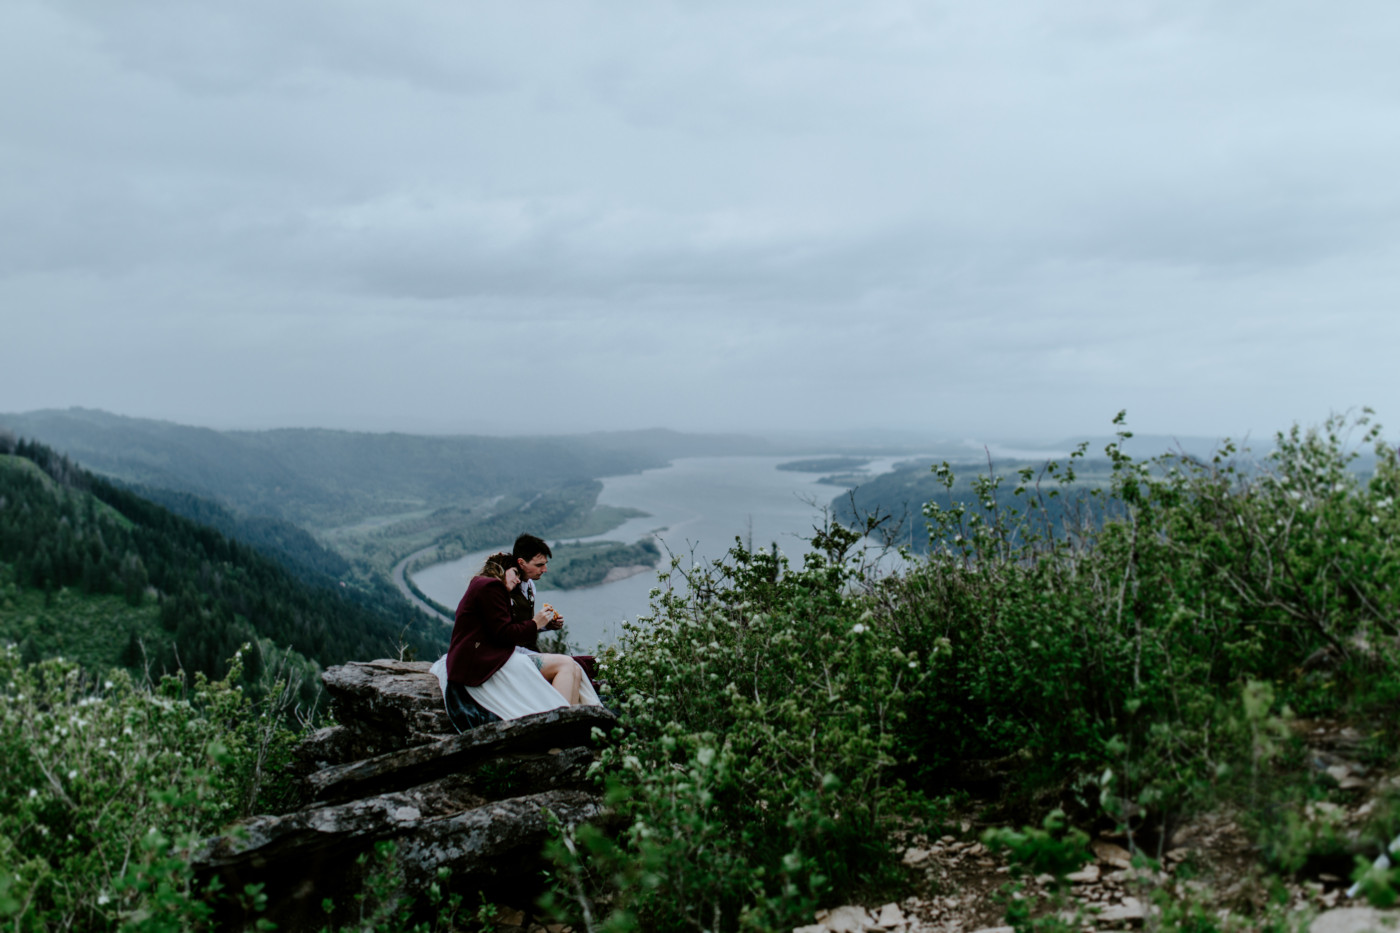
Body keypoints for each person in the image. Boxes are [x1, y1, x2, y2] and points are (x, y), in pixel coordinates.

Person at [429, 553, 600, 727]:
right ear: (501, 568)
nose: (518, 580)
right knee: (566, 666)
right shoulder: (491, 585)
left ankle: (569, 728)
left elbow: (500, 629)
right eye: (515, 573)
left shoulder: (482, 585)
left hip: (484, 657)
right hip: (484, 662)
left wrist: (542, 625)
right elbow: (504, 632)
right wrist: (535, 623)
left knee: (575, 669)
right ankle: (556, 730)